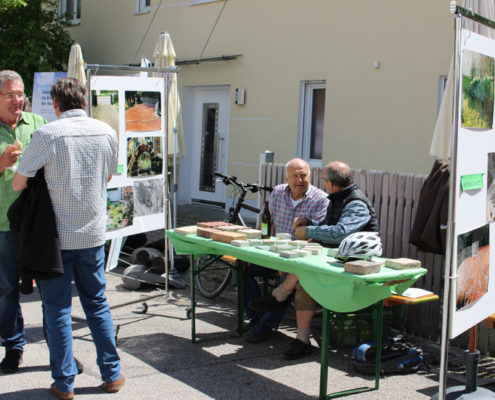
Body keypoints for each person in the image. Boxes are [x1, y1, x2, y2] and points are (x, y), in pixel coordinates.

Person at [13, 78, 123, 399]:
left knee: (58, 310)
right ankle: (112, 374)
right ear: (84, 102)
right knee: (98, 304)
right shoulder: (107, 132)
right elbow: (109, 175)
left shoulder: (46, 134)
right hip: (92, 233)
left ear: (56, 104)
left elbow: (20, 183)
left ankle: (64, 384)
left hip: (55, 239)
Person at [249, 161, 379, 360]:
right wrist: (309, 223)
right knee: (304, 273)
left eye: (324, 180)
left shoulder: (356, 204)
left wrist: (308, 230)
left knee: (305, 276)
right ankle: (298, 332)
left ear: (332, 183)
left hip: (359, 264)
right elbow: (327, 225)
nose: (322, 183)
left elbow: (339, 232)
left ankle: (282, 301)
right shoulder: (337, 198)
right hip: (338, 259)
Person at [243, 158, 329, 343]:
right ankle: (256, 317)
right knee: (240, 265)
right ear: (286, 178)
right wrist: (252, 252)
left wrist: (289, 263)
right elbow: (264, 224)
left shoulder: (321, 199)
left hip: (299, 259)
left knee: (289, 280)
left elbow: (316, 237)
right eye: (295, 176)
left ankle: (265, 326)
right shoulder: (278, 192)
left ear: (310, 176)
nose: (300, 179)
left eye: (303, 175)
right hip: (274, 254)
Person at [0, 70, 47, 373]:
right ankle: (13, 346)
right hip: (3, 224)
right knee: (5, 289)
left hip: (38, 221)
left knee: (51, 286)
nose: (17, 100)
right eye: (9, 95)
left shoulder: (39, 124)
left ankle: (61, 349)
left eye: (20, 94)